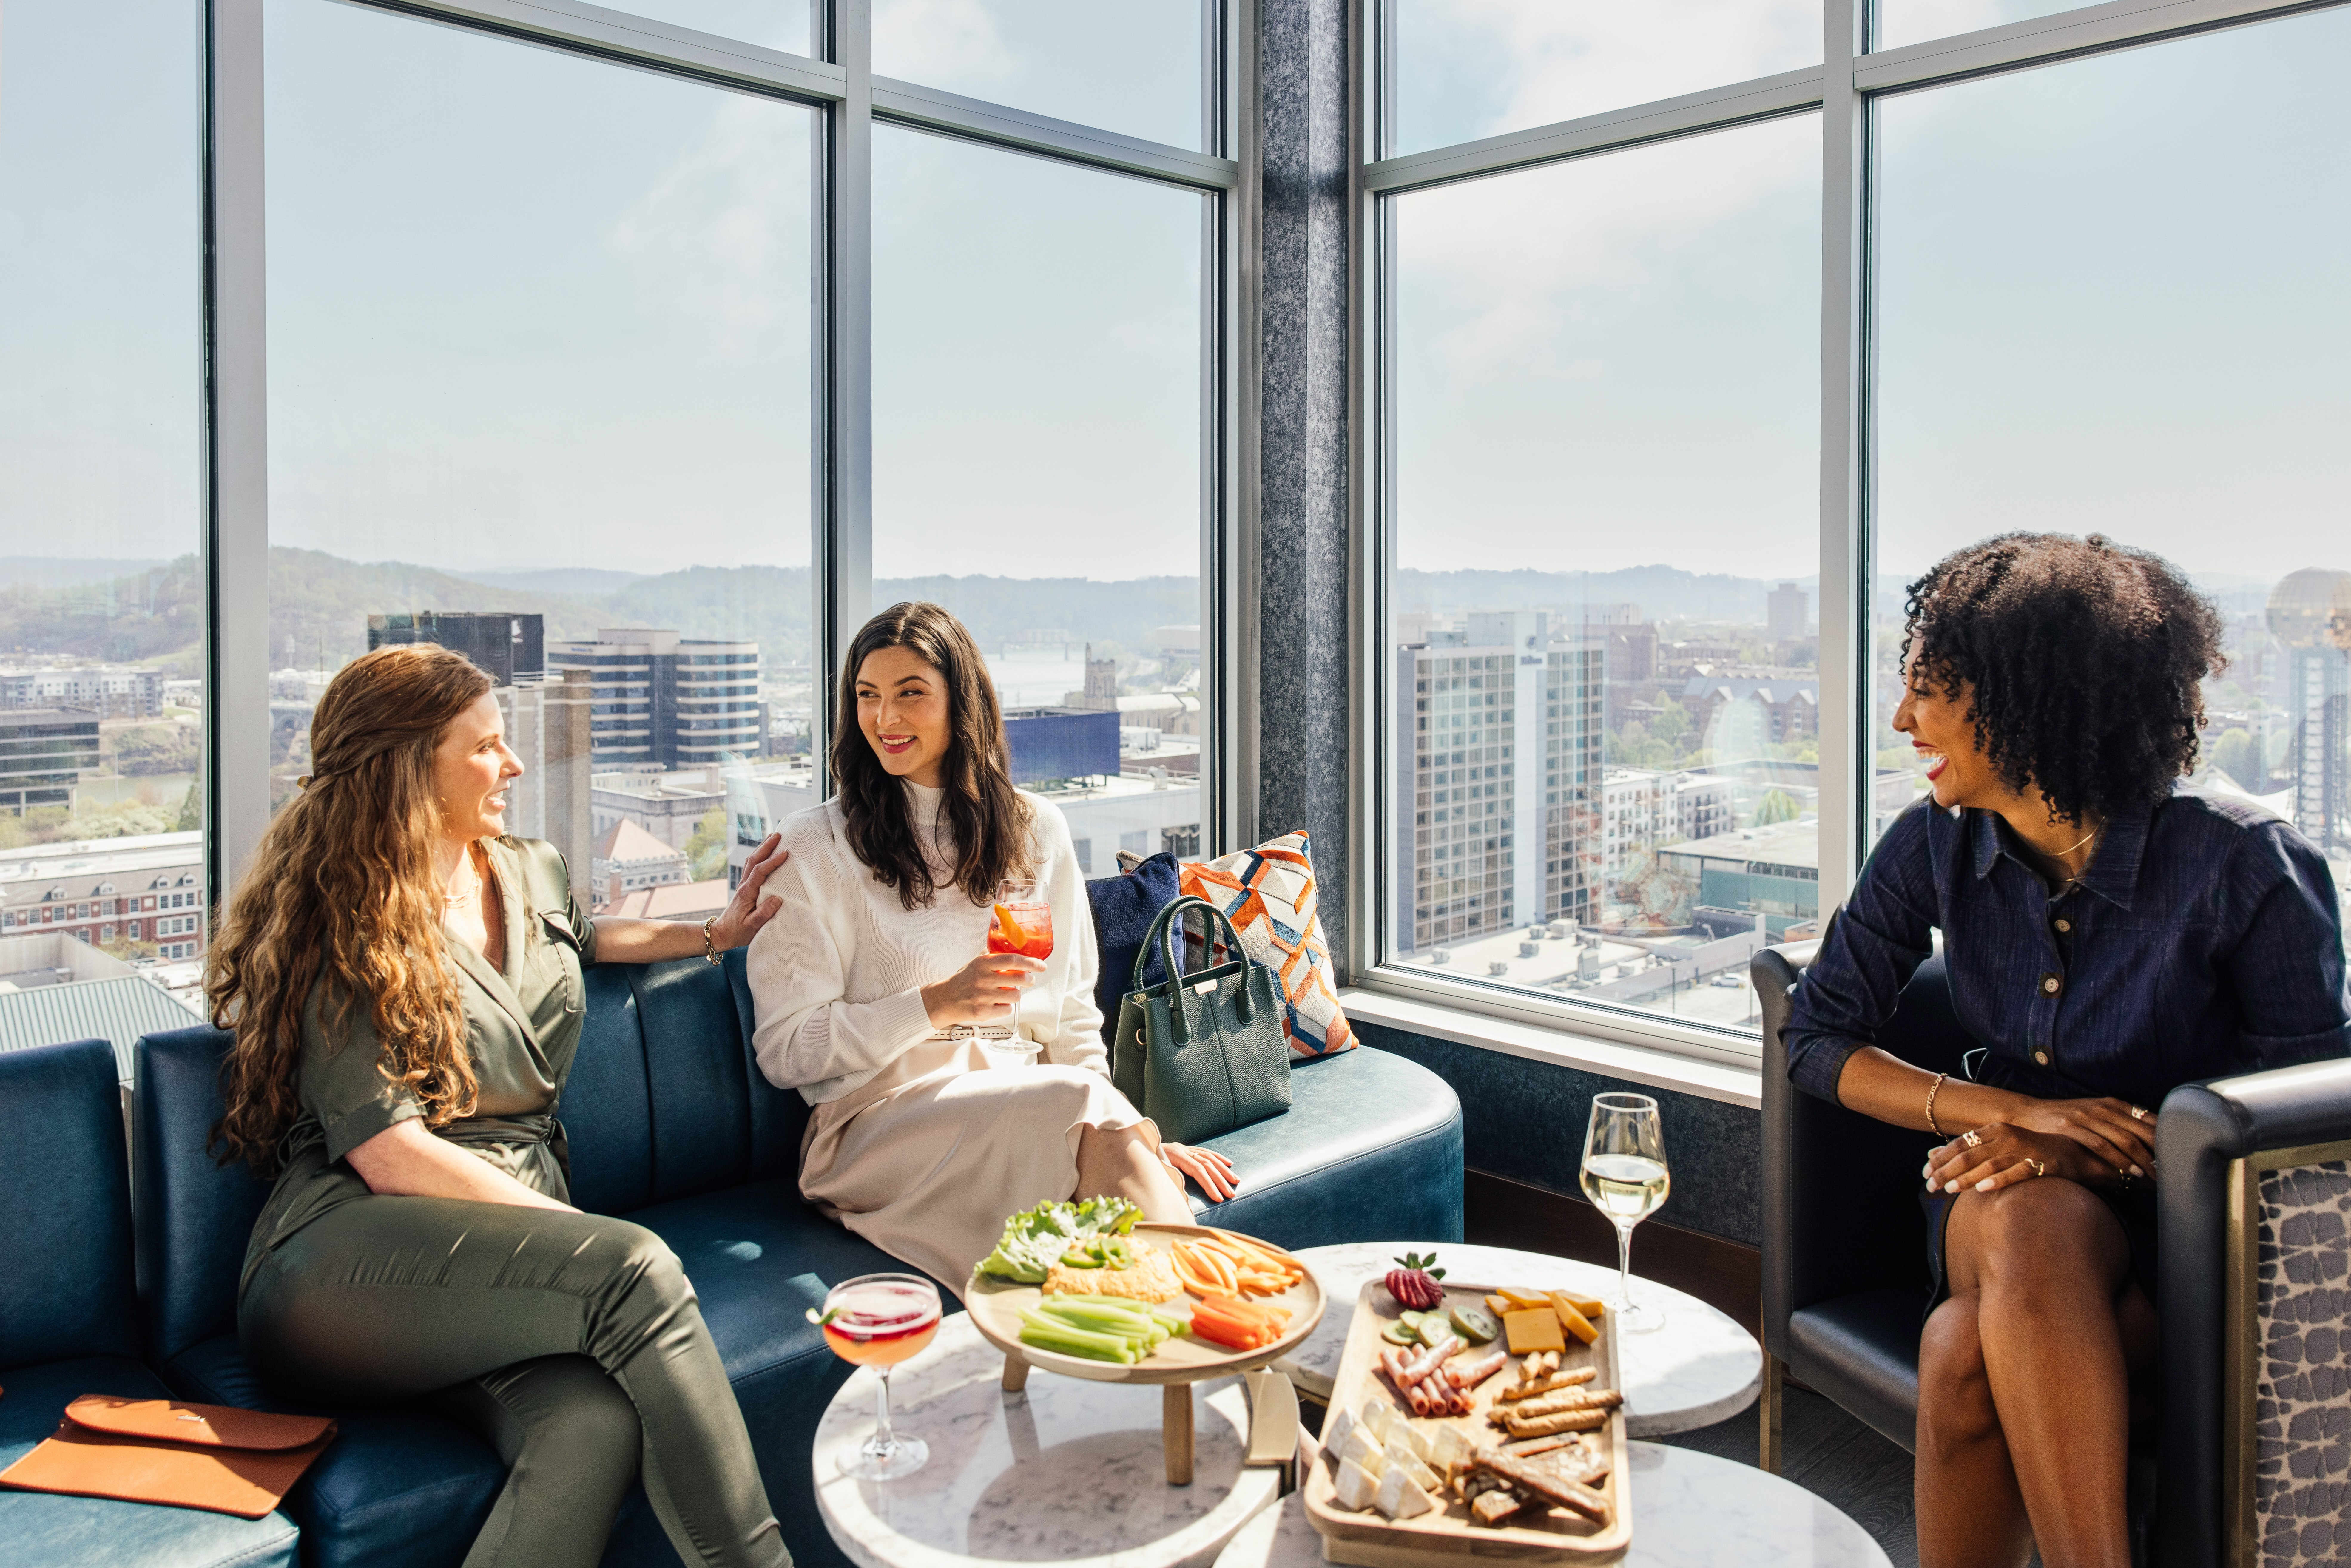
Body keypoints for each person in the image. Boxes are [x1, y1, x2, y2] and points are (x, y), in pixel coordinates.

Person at [1784, 533, 2351, 1568]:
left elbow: (2304, 1153)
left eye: (1929, 690)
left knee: (1961, 1348)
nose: (1903, 719)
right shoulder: (1930, 843)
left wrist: (2101, 1152)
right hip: (1996, 1203)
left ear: (2026, 699)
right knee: (2029, 1210)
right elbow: (1818, 1039)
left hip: (2188, 1256)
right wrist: (2022, 1120)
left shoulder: (2245, 866)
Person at [209, 643, 797, 1568]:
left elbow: (589, 942)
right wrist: (581, 1245)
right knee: (635, 1271)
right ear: (410, 765)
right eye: (485, 746)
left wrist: (715, 933)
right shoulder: (343, 920)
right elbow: (391, 1155)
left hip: (491, 1268)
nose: (514, 765)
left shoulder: (528, 869)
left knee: (592, 1426)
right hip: (345, 1264)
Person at [746, 601, 1238, 1290]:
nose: (885, 719)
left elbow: (1067, 1016)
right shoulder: (814, 847)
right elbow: (786, 1051)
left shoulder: (1037, 831)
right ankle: (1240, 1356)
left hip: (1029, 1103)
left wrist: (1118, 1130)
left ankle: (1190, 1365)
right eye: (867, 696)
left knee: (1105, 1149)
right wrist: (934, 1006)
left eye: (910, 694)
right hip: (876, 1129)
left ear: (961, 700)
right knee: (1092, 1126)